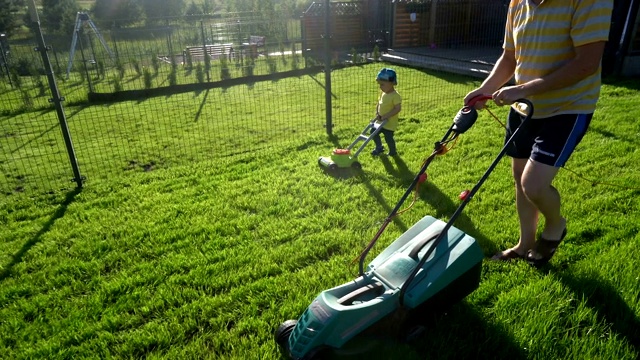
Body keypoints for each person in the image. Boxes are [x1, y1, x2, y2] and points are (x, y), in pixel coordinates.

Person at [463, 0, 613, 267]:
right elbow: (510, 57)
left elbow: (587, 63)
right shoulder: (518, 2)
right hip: (524, 108)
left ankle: (556, 225)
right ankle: (525, 245)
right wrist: (484, 90)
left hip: (567, 108)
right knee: (520, 178)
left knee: (533, 184)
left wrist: (522, 89)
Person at [371, 68, 402, 156]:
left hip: (389, 123)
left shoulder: (395, 96)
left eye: (382, 84)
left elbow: (397, 108)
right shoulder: (382, 93)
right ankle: (379, 147)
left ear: (392, 83)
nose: (380, 86)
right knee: (373, 132)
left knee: (388, 138)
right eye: (379, 84)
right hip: (380, 120)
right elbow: (379, 103)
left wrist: (385, 116)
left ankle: (393, 152)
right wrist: (377, 113)